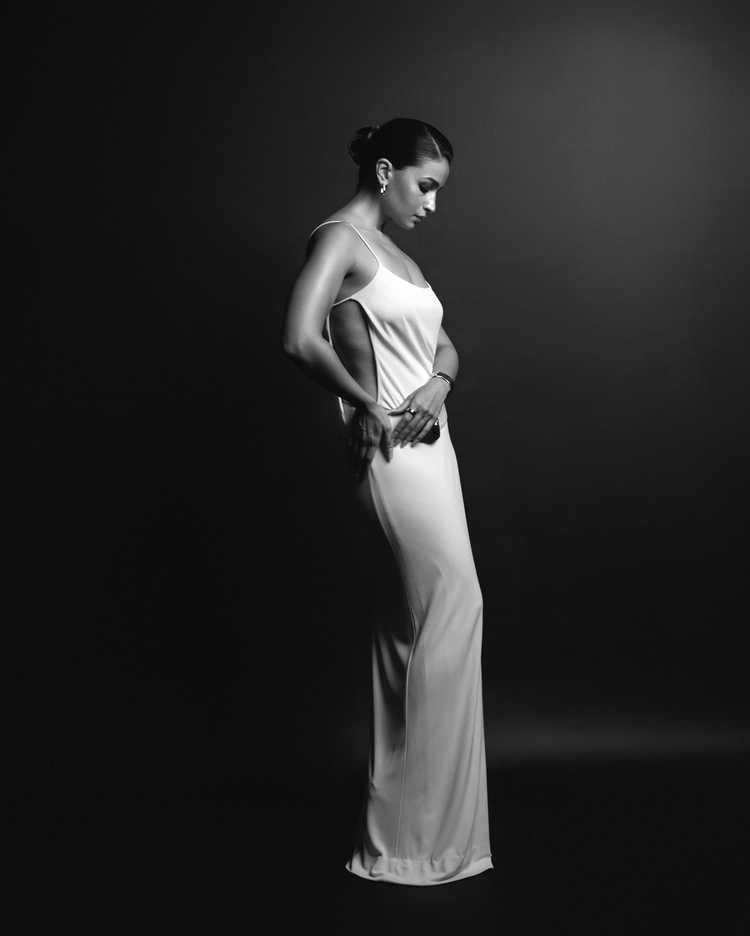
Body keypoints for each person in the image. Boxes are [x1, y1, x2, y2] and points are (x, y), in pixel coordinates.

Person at [282, 118, 493, 885]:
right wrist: (366, 405)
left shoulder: (401, 256)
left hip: (437, 452)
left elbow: (444, 344)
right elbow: (300, 337)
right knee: (450, 608)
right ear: (383, 170)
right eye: (425, 186)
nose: (431, 204)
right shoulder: (339, 239)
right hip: (393, 457)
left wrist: (440, 383)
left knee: (411, 630)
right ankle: (414, 841)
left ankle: (413, 837)